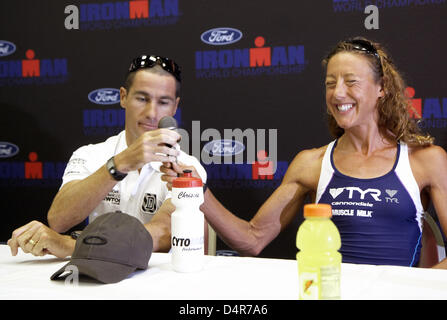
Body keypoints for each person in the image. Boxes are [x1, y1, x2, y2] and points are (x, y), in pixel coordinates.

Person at [170, 37, 447, 268]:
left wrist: (413, 288)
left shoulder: (425, 161)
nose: (338, 93)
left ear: (382, 88)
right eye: (330, 83)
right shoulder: (311, 164)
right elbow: (252, 239)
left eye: (351, 82)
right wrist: (196, 188)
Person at [7, 54, 206, 258]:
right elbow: (59, 219)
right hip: (96, 280)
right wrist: (121, 163)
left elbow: (164, 234)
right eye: (142, 98)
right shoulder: (89, 154)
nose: (152, 113)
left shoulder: (187, 167)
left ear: (175, 107)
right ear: (123, 97)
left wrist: (73, 245)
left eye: (163, 102)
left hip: (157, 282)